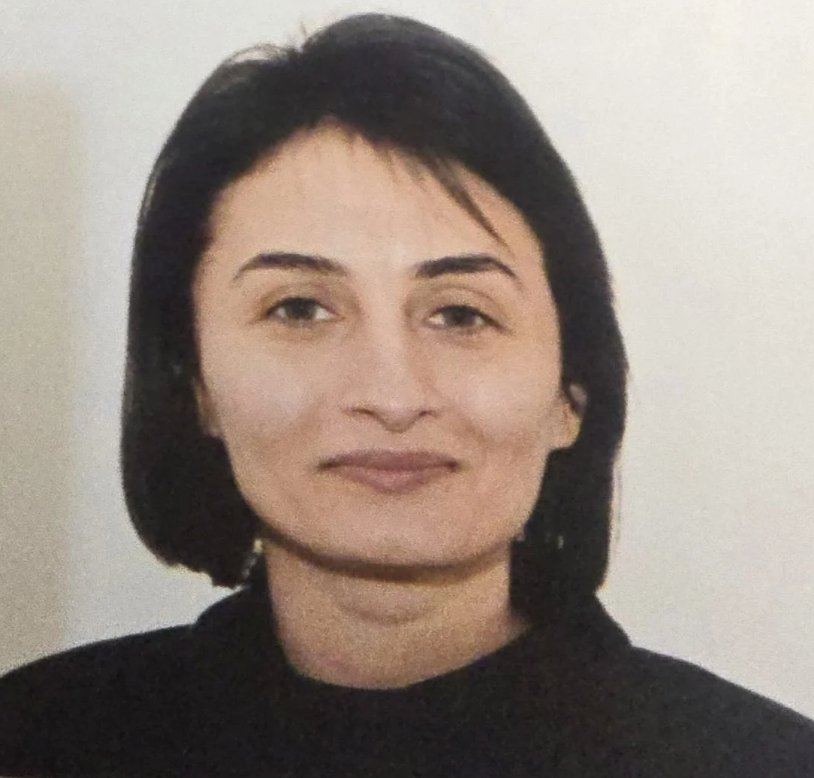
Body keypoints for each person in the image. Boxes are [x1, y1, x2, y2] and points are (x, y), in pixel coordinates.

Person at [0, 12, 812, 777]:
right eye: (300, 309)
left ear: (572, 393)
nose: (392, 395)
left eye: (460, 314)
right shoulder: (37, 742)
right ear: (195, 384)